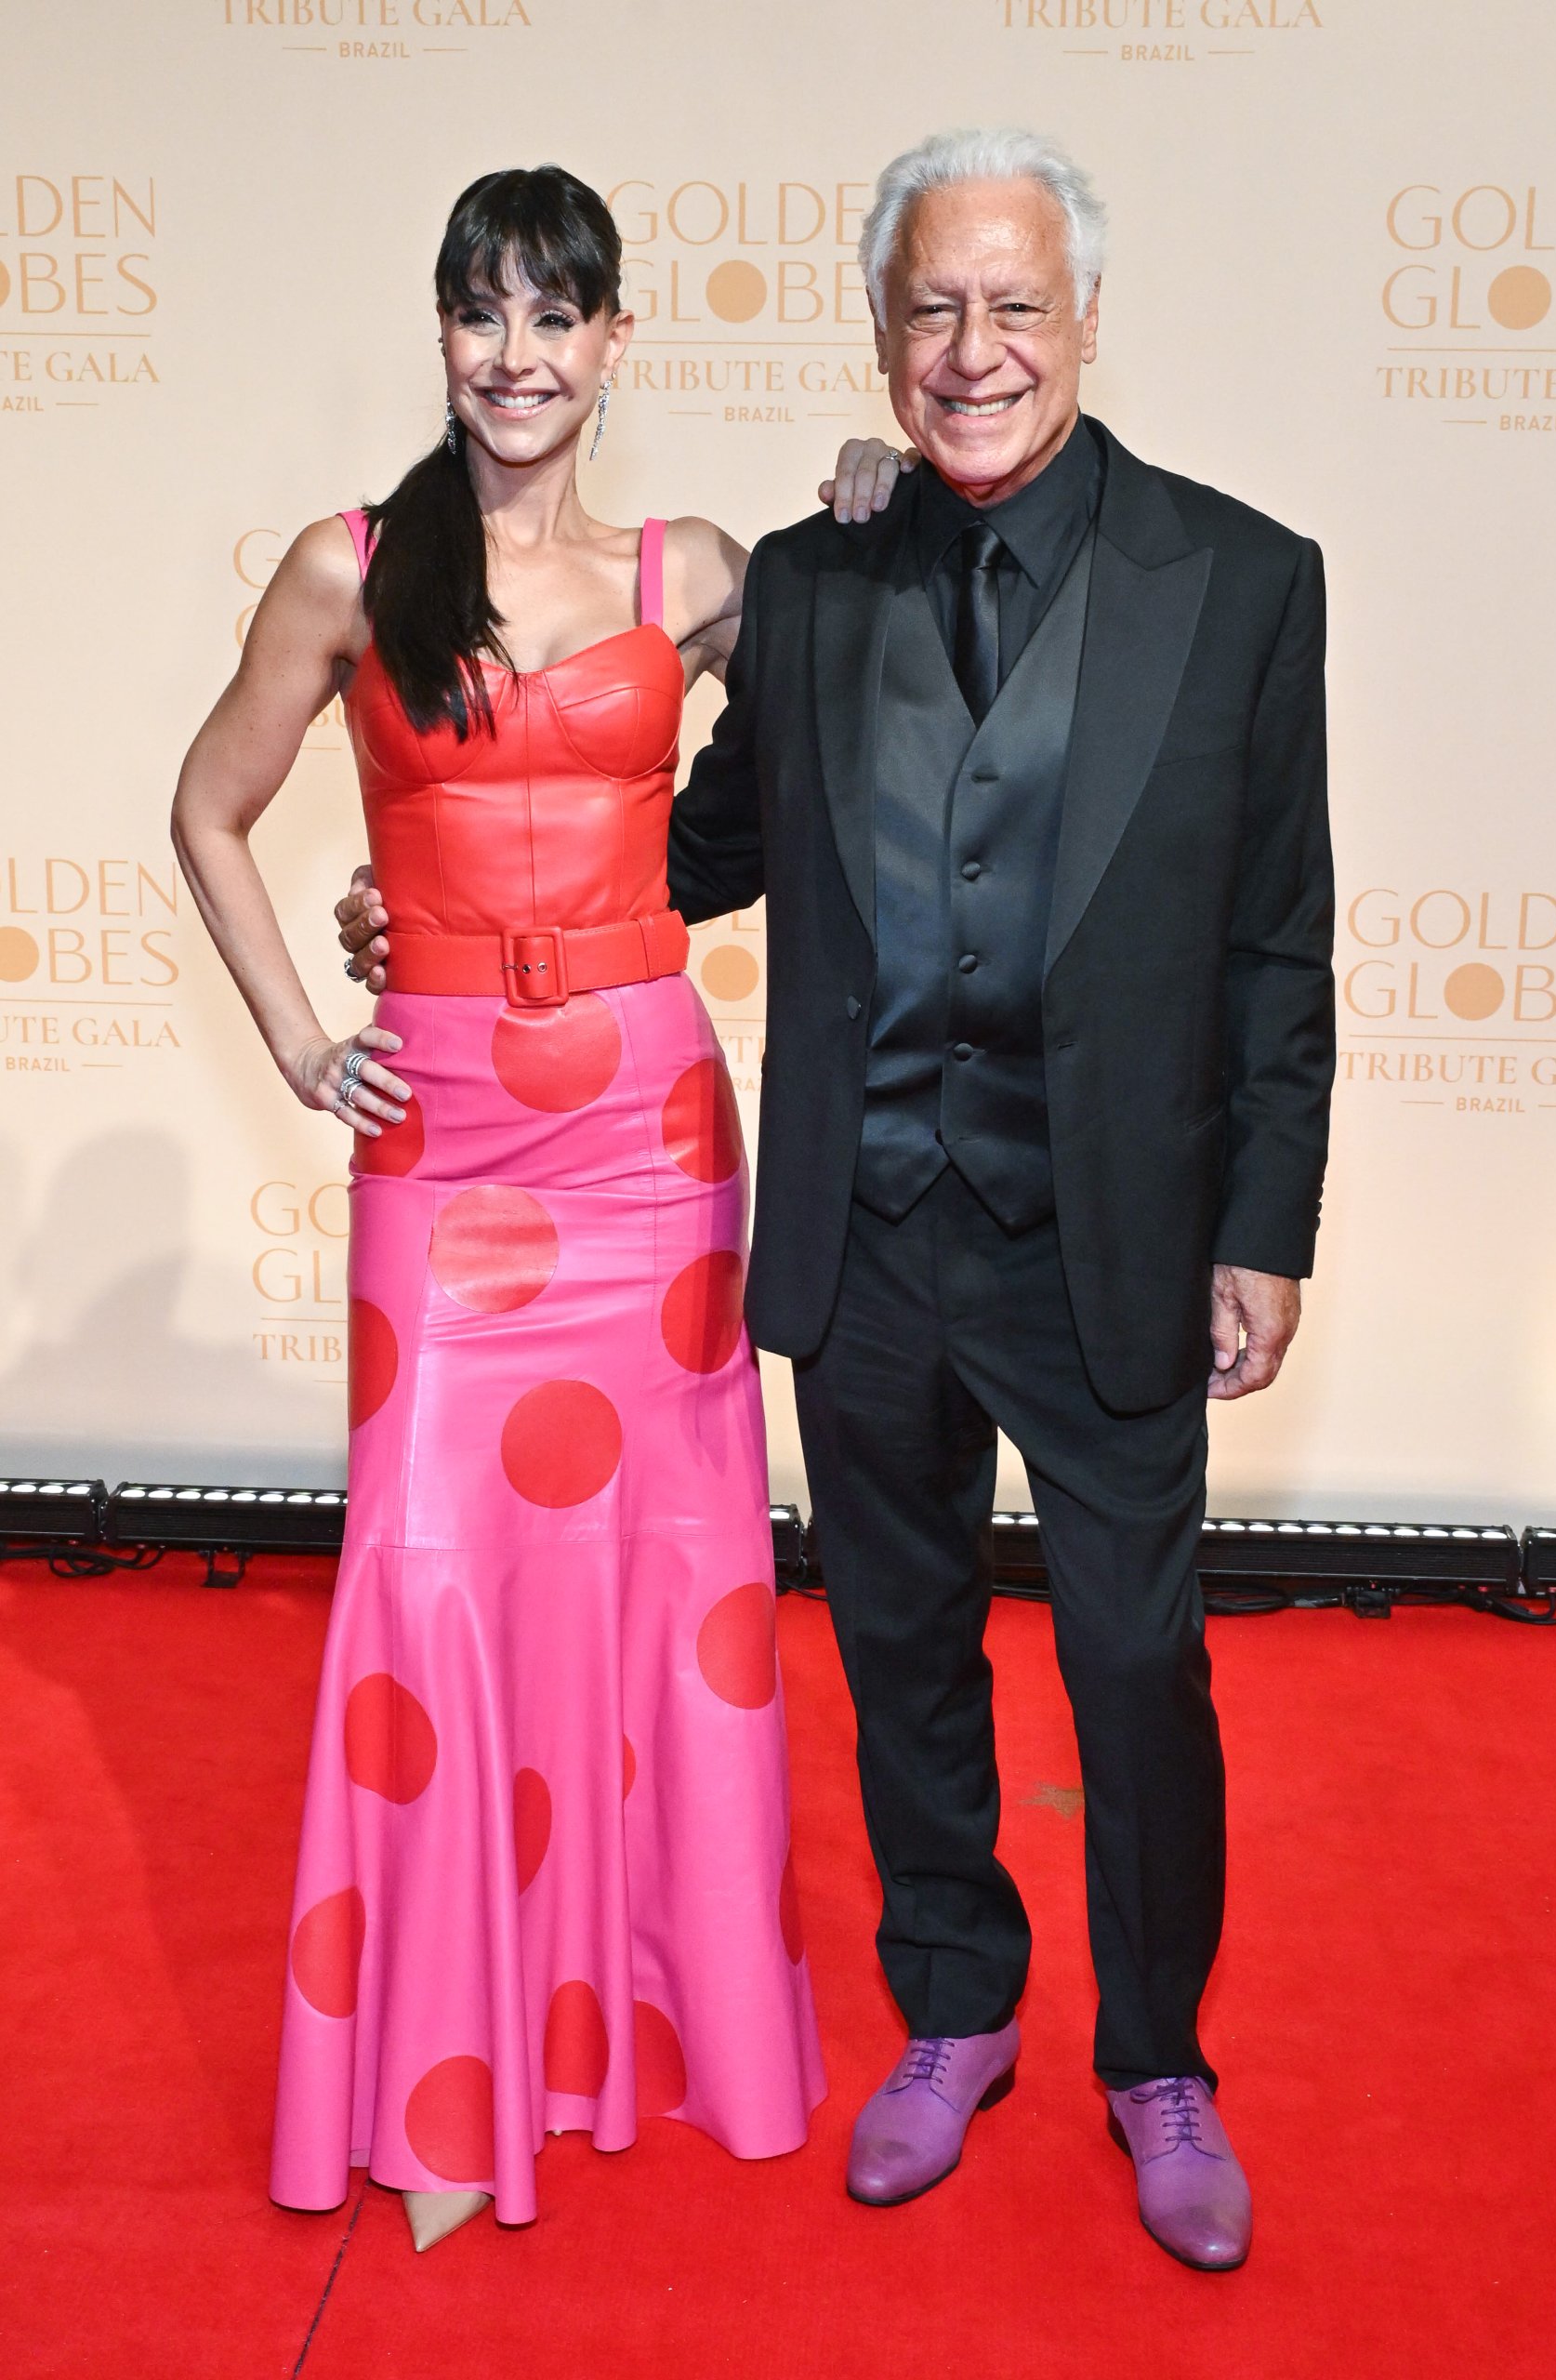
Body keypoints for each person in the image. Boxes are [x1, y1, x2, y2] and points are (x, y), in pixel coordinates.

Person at [342, 128, 1336, 2273]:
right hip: (864, 1229)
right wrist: (443, 889)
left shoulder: (1246, 579)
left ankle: (1157, 2052)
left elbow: (1278, 942)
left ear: (1084, 321)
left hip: (1115, 1240)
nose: (971, 350)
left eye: (1012, 307)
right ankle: (955, 2006)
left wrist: (1265, 1221)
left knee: (1138, 1664)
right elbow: (689, 844)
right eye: (929, 310)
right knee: (899, 1653)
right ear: (883, 335)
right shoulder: (807, 578)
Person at [171, 165, 904, 2254]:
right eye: (485, 313)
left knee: (673, 1576)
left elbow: (872, 657)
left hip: (648, 1141)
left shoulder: (703, 572)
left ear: (611, 343)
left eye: (556, 316)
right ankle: (438, 2041)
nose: (518, 355)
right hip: (446, 1150)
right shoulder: (352, 564)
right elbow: (209, 802)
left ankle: (646, 2013)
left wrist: (875, 482)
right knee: (420, 1570)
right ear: (443, 331)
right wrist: (315, 1039)